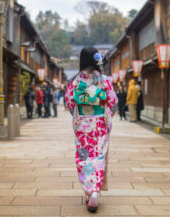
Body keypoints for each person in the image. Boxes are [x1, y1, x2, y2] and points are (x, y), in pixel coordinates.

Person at [65, 46, 117, 213]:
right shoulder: (105, 80)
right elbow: (112, 101)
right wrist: (100, 101)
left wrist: (81, 108)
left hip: (83, 126)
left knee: (84, 157)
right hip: (100, 125)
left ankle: (89, 191)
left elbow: (69, 103)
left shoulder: (75, 81)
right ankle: (95, 191)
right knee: (99, 157)